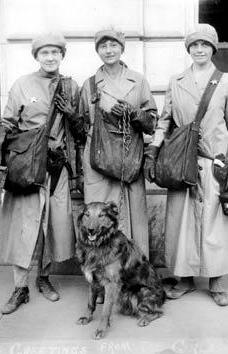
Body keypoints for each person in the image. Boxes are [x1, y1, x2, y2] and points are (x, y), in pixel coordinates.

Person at [144, 24, 228, 306]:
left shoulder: (226, 82)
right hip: (181, 164)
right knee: (182, 222)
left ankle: (217, 280)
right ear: (189, 49)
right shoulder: (176, 81)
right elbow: (165, 122)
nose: (199, 50)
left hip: (215, 165)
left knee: (217, 223)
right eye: (194, 45)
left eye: (205, 45)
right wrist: (153, 150)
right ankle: (185, 279)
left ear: (213, 48)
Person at [0, 32, 83, 314]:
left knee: (51, 225)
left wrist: (71, 115)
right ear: (36, 56)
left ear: (62, 56)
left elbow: (81, 132)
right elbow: (7, 123)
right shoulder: (22, 84)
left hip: (57, 167)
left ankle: (43, 278)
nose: (50, 58)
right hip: (27, 168)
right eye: (44, 53)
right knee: (23, 227)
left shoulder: (71, 87)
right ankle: (20, 287)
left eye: (55, 53)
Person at [79, 28, 157, 257]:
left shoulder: (138, 81)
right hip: (98, 158)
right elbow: (82, 124)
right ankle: (100, 280)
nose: (108, 50)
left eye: (113, 45)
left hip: (128, 156)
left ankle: (135, 274)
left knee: (133, 217)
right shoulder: (90, 84)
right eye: (103, 46)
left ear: (122, 48)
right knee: (98, 217)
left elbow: (152, 122)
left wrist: (133, 113)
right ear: (97, 51)